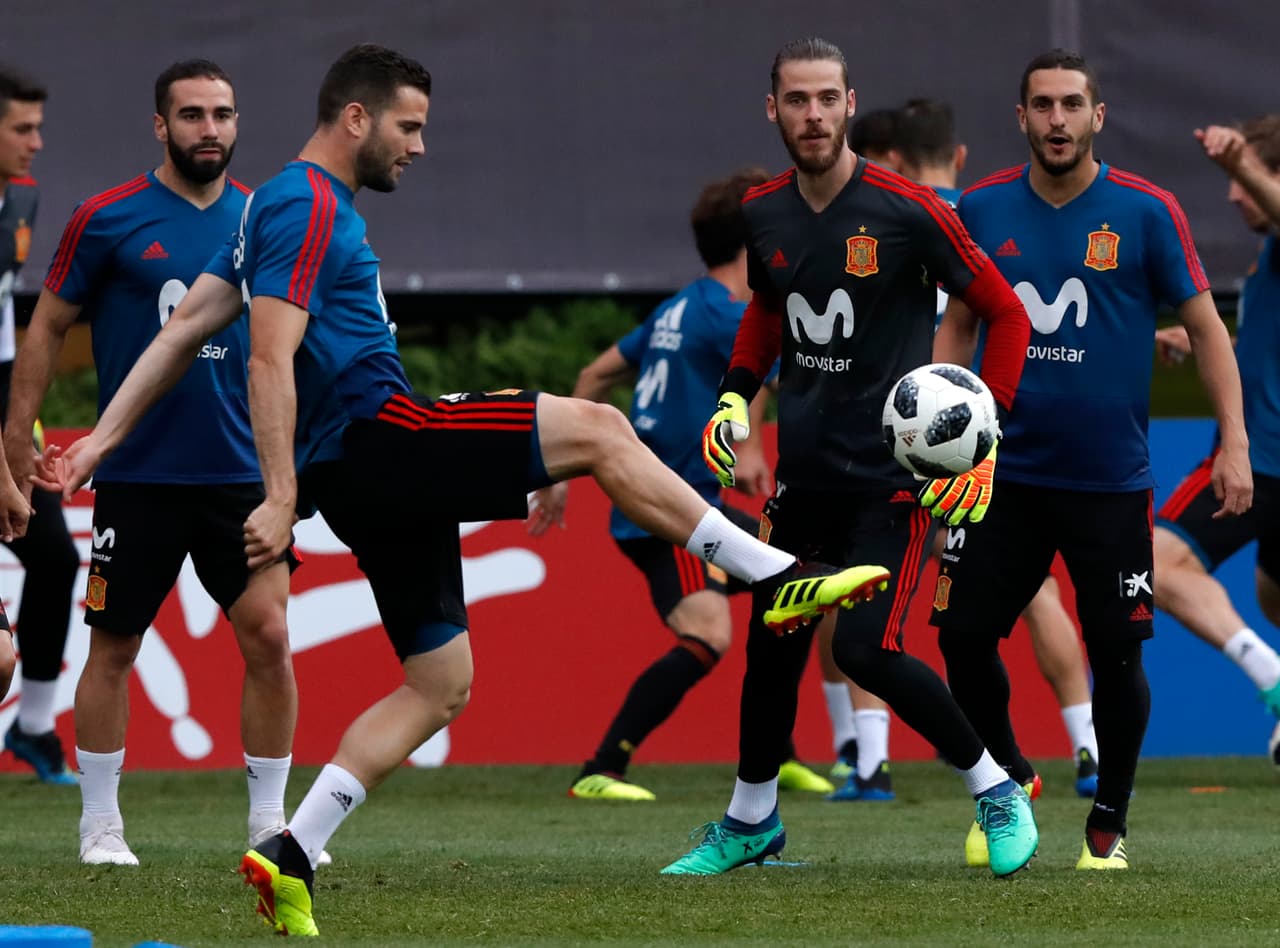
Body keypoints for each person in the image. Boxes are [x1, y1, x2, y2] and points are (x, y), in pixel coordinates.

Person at [43, 44, 890, 936]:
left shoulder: (269, 212)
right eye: (408, 127)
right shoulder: (301, 202)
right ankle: (772, 573)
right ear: (357, 119)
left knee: (442, 681)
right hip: (382, 439)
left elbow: (181, 331)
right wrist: (280, 495)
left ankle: (290, 848)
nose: (417, 147)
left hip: (365, 472)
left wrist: (99, 437)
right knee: (601, 430)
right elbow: (266, 357)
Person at [662, 37, 1040, 879]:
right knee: (774, 642)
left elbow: (1006, 314)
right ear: (773, 109)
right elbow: (767, 311)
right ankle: (750, 823)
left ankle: (997, 787)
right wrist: (735, 396)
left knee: (866, 650)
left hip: (890, 485)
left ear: (847, 101)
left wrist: (986, 433)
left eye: (827, 99)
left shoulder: (909, 209)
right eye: (796, 100)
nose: (813, 115)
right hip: (804, 478)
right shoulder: (763, 212)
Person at [930, 49, 1251, 872]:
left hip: (1110, 482)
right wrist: (942, 435)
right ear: (1022, 117)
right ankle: (1005, 788)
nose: (1058, 120)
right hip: (998, 475)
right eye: (1042, 105)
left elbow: (1208, 328)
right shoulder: (984, 205)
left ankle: (1109, 817)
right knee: (962, 638)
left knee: (1118, 654)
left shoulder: (1146, 212)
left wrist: (1234, 442)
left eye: (1073, 104)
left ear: (1098, 115)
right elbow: (960, 327)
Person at [3, 60, 305, 868]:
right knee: (114, 647)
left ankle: (270, 826)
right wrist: (13, 440)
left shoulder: (268, 220)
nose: (211, 129)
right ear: (160, 125)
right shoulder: (105, 217)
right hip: (134, 479)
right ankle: (100, 826)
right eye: (193, 114)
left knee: (271, 639)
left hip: (241, 478)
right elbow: (43, 329)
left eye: (224, 114)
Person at [559, 168, 832, 802]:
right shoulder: (725, 314)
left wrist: (561, 477)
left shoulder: (678, 307)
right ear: (757, 240)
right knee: (710, 633)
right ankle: (600, 768)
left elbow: (592, 374)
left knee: (795, 583)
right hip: (674, 513)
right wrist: (754, 444)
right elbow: (766, 368)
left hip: (671, 502)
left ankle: (777, 752)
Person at [899, 94, 1101, 803]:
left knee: (869, 584)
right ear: (956, 155)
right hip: (993, 432)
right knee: (1040, 593)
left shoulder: (902, 219)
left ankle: (863, 758)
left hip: (930, 436)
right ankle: (1086, 742)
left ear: (888, 163)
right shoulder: (995, 208)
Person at [1151, 115, 1280, 764]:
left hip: (1262, 459)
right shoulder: (1270, 258)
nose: (1232, 196)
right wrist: (1210, 344)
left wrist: (1240, 163)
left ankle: (1274, 680)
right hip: (1268, 458)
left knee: (1155, 562)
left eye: (1245, 183)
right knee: (1272, 598)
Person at [0, 65, 81, 784]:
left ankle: (32, 728)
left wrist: (21, 430)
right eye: (22, 128)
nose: (37, 142)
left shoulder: (19, 201)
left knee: (54, 557)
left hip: (2, 405)